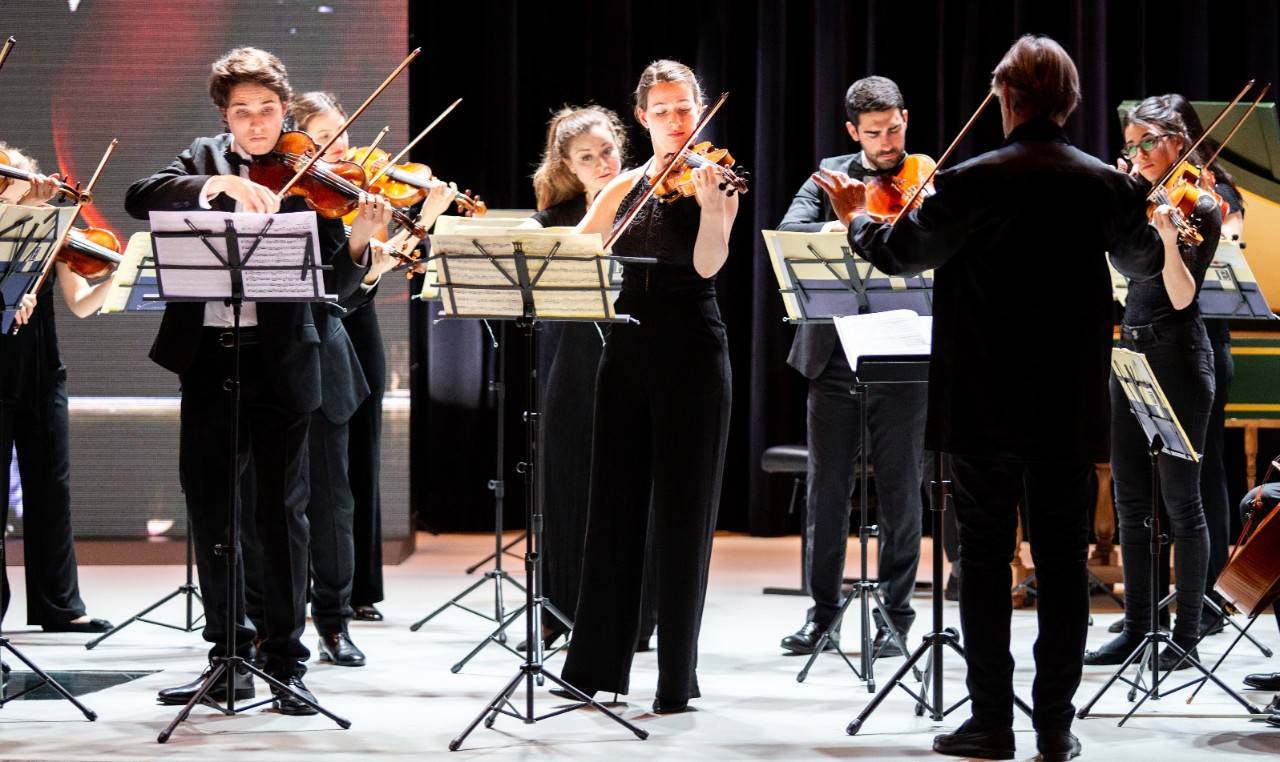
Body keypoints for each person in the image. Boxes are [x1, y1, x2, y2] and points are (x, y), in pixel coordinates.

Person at [813, 35, 1163, 761]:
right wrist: (1140, 199)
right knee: (1065, 563)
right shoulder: (1105, 183)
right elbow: (1143, 262)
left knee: (982, 557)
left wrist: (855, 218)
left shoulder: (970, 180)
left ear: (1006, 100)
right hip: (1067, 402)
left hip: (984, 400)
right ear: (1069, 101)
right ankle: (1055, 727)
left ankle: (991, 724)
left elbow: (901, 253)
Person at [125, 47, 383, 714]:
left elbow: (338, 289)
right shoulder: (201, 158)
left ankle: (285, 663)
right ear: (225, 117)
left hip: (282, 361)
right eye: (242, 112)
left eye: (267, 110)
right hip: (209, 360)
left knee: (283, 515)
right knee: (213, 511)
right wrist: (218, 188)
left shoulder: (312, 175)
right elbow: (138, 196)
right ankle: (227, 658)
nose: (256, 123)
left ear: (283, 111)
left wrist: (357, 245)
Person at [559, 60, 737, 714]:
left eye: (684, 108)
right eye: (661, 110)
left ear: (697, 109)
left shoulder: (715, 178)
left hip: (693, 348)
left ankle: (673, 679)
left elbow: (709, 264)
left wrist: (716, 211)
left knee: (685, 517)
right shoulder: (625, 185)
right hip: (627, 349)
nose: (674, 120)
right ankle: (594, 666)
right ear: (642, 117)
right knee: (613, 508)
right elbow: (573, 256)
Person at [776, 75, 926, 658]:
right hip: (833, 353)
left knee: (900, 489)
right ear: (852, 132)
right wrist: (851, 219)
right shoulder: (830, 175)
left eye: (893, 129)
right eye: (873, 133)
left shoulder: (924, 178)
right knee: (827, 489)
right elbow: (789, 234)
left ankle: (897, 614)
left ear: (905, 120)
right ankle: (823, 612)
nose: (887, 143)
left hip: (903, 351)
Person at [1083, 95, 1222, 673]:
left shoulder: (1203, 205)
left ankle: (1186, 634)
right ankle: (1139, 626)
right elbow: (1121, 271)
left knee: (1181, 503)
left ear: (1177, 140)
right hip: (1131, 353)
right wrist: (1123, 206)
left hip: (1179, 358)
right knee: (1131, 498)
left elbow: (1183, 296)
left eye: (1148, 143)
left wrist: (1167, 236)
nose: (1138, 154)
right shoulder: (1138, 198)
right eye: (1131, 145)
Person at [519, 105, 657, 651]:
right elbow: (520, 248)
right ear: (568, 167)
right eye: (587, 158)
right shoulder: (555, 218)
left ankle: (635, 616)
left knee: (631, 485)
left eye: (607, 151)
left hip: (635, 356)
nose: (602, 163)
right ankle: (560, 610)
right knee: (567, 484)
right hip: (570, 363)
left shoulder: (652, 204)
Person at [0, 143, 114, 640]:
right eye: (17, 181)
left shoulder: (55, 231)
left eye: (29, 177)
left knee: (52, 487)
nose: (35, 185)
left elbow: (80, 304)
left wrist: (118, 273)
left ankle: (60, 605)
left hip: (43, 371)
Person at [1168, 94, 1246, 637]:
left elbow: (1231, 251)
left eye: (1163, 138)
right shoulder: (1154, 193)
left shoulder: (1217, 194)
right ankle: (1171, 596)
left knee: (1208, 467)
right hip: (1159, 340)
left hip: (1206, 342)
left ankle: (1214, 591)